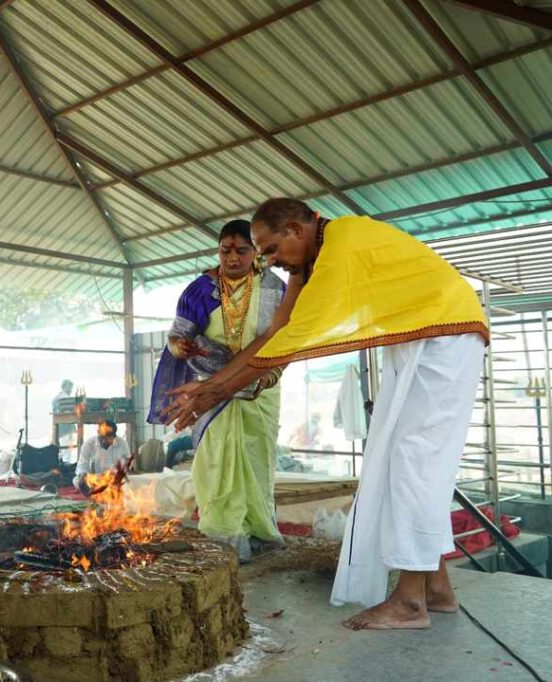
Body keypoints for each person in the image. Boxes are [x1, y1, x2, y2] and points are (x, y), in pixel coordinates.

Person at [164, 199, 488, 631]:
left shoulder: (341, 245)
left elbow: (293, 336)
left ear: (297, 229)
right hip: (421, 336)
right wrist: (210, 389)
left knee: (414, 462)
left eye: (270, 248)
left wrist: (216, 389)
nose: (268, 261)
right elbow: (280, 328)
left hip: (446, 335)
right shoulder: (310, 261)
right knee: (392, 460)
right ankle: (436, 588)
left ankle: (412, 602)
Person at [148, 219, 290, 560]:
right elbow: (178, 334)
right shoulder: (201, 289)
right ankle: (224, 536)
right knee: (215, 462)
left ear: (256, 252)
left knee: (257, 461)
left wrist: (270, 375)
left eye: (242, 250)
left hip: (260, 390)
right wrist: (181, 347)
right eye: (225, 250)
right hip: (211, 390)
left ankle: (260, 531)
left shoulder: (275, 288)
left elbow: (286, 339)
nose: (232, 258)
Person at [73, 420, 130, 493]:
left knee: (129, 481)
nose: (103, 441)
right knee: (77, 481)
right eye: (101, 437)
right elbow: (82, 465)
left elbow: (126, 466)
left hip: (114, 479)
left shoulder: (122, 444)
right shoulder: (89, 444)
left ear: (114, 436)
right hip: (95, 479)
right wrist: (83, 475)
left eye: (107, 438)